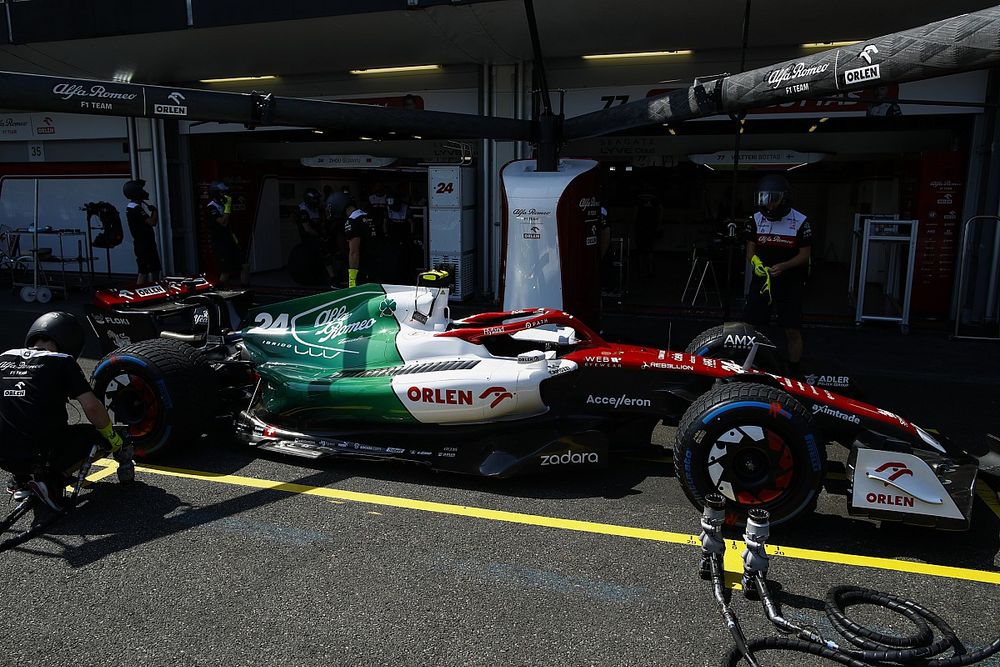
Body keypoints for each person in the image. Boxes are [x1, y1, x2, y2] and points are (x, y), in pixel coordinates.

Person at [1, 312, 134, 511]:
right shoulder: (62, 361)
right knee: (96, 436)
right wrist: (112, 436)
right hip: (40, 452)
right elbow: (92, 407)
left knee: (19, 425)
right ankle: (52, 482)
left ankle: (21, 480)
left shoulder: (4, 357)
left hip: (4, 455)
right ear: (70, 341)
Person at [744, 174, 812, 377]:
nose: (769, 205)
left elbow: (805, 255)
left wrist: (784, 266)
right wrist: (755, 263)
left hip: (790, 281)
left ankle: (794, 370)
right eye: (765, 199)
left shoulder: (801, 222)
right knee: (751, 326)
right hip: (762, 280)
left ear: (784, 198)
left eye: (773, 199)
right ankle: (750, 364)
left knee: (792, 329)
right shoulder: (754, 219)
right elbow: (750, 250)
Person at [205, 181, 246, 286]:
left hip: (230, 239)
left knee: (245, 265)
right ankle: (222, 292)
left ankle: (245, 287)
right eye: (222, 193)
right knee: (225, 271)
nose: (225, 195)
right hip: (220, 243)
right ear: (216, 193)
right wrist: (227, 208)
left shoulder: (224, 203)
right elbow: (223, 222)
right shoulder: (211, 207)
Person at [122, 179, 161, 284]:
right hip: (144, 244)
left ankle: (156, 291)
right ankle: (141, 293)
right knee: (144, 271)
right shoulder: (135, 208)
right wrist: (155, 211)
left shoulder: (134, 207)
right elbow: (152, 222)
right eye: (141, 190)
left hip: (146, 243)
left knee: (154, 269)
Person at [296, 187, 336, 284]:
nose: (317, 201)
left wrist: (325, 234)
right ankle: (332, 278)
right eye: (315, 199)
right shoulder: (303, 210)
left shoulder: (318, 208)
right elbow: (307, 229)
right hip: (309, 238)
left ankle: (332, 274)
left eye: (318, 199)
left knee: (332, 249)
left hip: (319, 235)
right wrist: (320, 236)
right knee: (324, 252)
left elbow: (322, 223)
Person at [343, 201, 378, 288]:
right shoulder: (369, 216)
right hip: (377, 262)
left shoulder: (352, 220)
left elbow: (354, 252)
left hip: (363, 266)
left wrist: (352, 280)